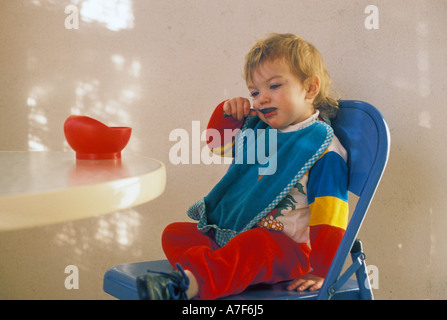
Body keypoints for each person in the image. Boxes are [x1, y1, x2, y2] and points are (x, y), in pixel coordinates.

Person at [136, 33, 349, 300]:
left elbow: (331, 215)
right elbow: (218, 147)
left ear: (309, 88)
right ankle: (224, 268)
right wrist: (227, 116)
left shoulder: (322, 147)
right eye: (254, 92)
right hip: (241, 233)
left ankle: (187, 285)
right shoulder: (261, 129)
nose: (261, 99)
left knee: (255, 246)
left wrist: (322, 269)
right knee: (175, 234)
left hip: (287, 249)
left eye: (274, 86)